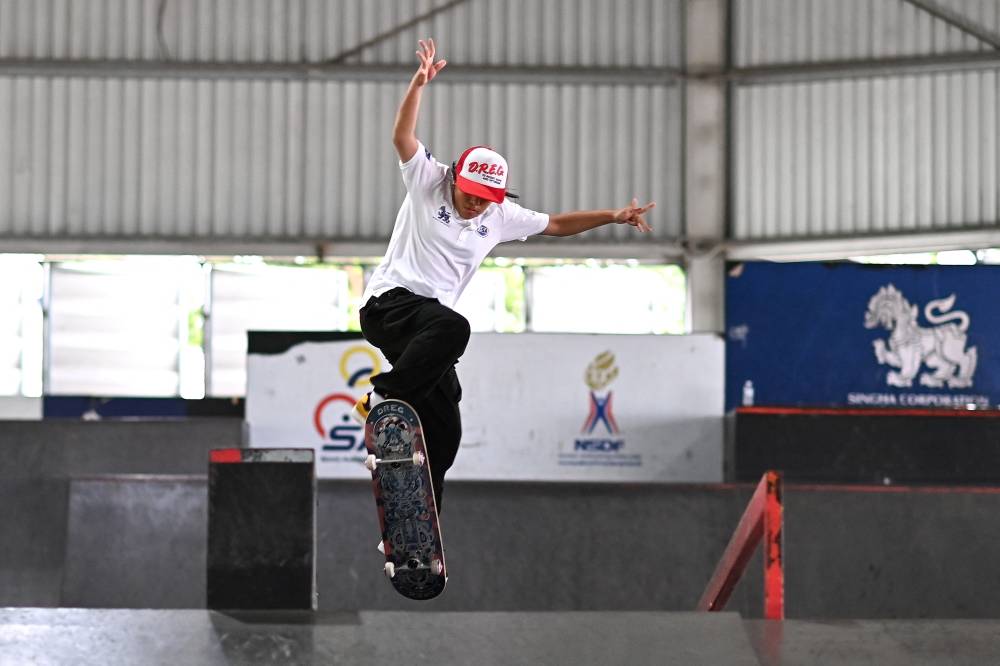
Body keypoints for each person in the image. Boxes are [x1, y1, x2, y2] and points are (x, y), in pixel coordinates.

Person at [353, 38, 654, 518]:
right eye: (469, 194)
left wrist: (613, 216)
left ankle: (418, 517)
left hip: (425, 328)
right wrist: (418, 84)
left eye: (483, 200)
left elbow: (556, 224)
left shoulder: (501, 215)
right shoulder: (427, 179)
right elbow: (401, 137)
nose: (474, 205)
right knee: (454, 329)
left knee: (446, 421)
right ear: (454, 179)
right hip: (389, 307)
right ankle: (383, 396)